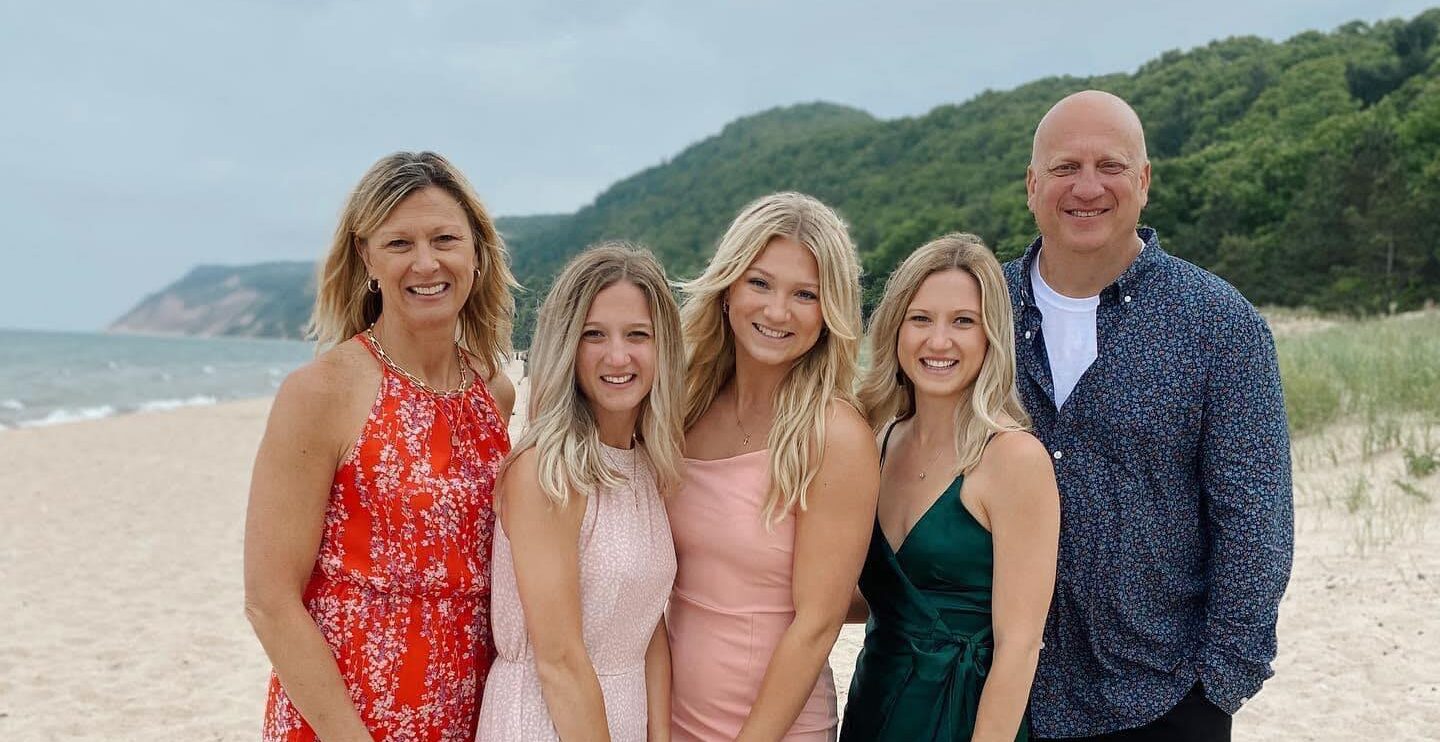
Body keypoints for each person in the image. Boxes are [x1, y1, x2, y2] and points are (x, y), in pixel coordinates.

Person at [1006, 91, 1293, 741]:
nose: (1086, 186)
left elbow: (1255, 519)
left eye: (1109, 165)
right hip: (992, 696)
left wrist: (1217, 688)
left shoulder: (1220, 324)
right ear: (1031, 185)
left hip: (1159, 700)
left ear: (1144, 180)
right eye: (1064, 167)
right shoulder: (974, 314)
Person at [244, 151, 517, 741]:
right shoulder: (322, 391)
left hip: (471, 710)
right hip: (345, 718)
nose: (426, 263)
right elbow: (270, 600)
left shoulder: (494, 392)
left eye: (445, 238)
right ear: (366, 255)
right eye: (399, 244)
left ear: (476, 251)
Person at [667, 192, 880, 741]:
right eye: (760, 283)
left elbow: (818, 625)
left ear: (828, 312)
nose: (777, 311)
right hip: (668, 718)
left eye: (805, 294)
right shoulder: (684, 410)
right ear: (728, 288)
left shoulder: (834, 435)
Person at [841, 234, 1059, 741]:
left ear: (991, 336)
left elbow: (1020, 646)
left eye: (963, 321)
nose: (938, 342)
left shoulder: (1014, 459)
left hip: (965, 716)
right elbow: (878, 596)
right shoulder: (877, 441)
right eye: (920, 319)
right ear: (895, 328)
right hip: (874, 704)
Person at [478, 243, 685, 740]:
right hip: (546, 719)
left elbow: (646, 624)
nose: (618, 356)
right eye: (594, 335)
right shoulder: (546, 471)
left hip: (622, 714)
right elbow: (559, 661)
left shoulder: (646, 464)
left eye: (638, 335)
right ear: (567, 345)